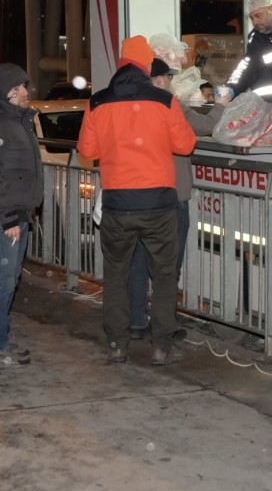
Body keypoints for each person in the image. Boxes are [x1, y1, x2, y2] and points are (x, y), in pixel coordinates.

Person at [77, 36, 195, 365]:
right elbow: (185, 146)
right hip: (159, 205)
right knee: (165, 275)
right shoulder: (163, 101)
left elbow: (87, 152)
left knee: (116, 275)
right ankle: (161, 346)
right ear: (147, 65)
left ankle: (117, 344)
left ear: (121, 63)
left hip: (117, 205)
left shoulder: (98, 102)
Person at [127, 58, 220, 339]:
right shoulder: (168, 104)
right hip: (172, 193)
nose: (170, 81)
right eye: (167, 76)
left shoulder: (130, 106)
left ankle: (136, 322)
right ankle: (164, 327)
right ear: (158, 80)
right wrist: (222, 105)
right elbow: (200, 129)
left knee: (140, 261)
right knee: (168, 266)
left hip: (139, 193)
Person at [0, 63, 42, 367]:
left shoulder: (16, 121)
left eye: (25, 86)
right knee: (2, 282)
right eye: (20, 87)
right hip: (2, 219)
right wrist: (8, 217)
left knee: (9, 281)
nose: (26, 92)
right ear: (7, 92)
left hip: (16, 215)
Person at [221, 0, 272, 102]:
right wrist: (231, 89)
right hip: (271, 104)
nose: (255, 22)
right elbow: (248, 66)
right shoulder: (256, 38)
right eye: (252, 18)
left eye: (258, 15)